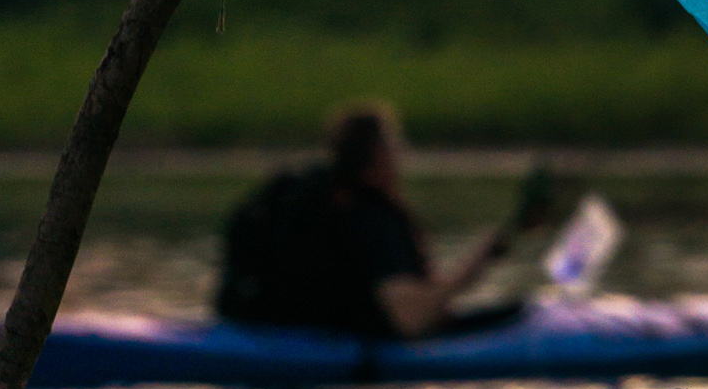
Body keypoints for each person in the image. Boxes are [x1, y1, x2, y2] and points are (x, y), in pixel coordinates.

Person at [216, 106, 555, 340]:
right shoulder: (369, 220)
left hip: (270, 323)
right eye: (395, 145)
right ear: (377, 157)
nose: (401, 155)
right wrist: (481, 258)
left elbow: (418, 303)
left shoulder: (344, 204)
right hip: (318, 343)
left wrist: (498, 245)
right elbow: (411, 319)